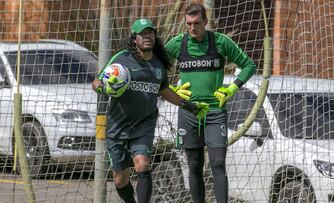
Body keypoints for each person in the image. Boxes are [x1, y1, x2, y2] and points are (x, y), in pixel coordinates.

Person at [92, 18, 209, 203]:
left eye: (150, 33)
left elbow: (165, 91)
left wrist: (190, 106)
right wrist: (103, 89)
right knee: (120, 179)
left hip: (143, 125)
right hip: (117, 126)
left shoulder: (158, 65)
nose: (147, 36)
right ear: (134, 38)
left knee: (142, 164)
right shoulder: (122, 58)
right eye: (142, 34)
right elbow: (97, 82)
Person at [165, 3, 256, 203]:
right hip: (189, 112)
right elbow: (153, 67)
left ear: (206, 21)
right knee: (194, 165)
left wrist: (232, 88)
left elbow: (249, 65)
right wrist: (171, 90)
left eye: (197, 23)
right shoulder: (178, 44)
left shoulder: (221, 42)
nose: (192, 28)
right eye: (188, 23)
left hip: (215, 112)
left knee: (217, 164)